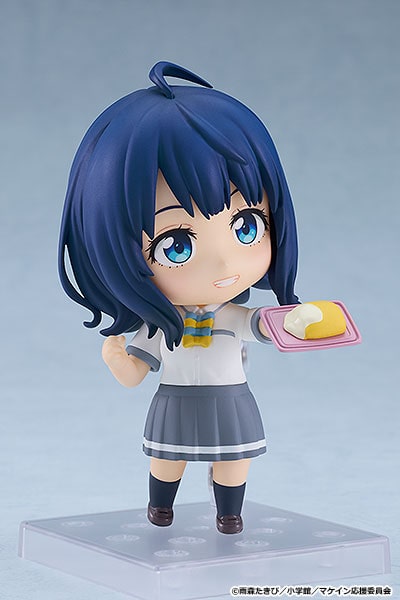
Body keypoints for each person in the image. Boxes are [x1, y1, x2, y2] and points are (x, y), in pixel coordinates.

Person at [58, 61, 299, 534]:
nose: (224, 263)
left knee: (234, 460)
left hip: (230, 400)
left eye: (246, 226)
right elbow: (134, 373)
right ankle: (160, 506)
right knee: (167, 459)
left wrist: (297, 321)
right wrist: (115, 356)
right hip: (175, 399)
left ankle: (229, 513)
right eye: (176, 245)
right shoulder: (159, 325)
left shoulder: (229, 314)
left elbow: (261, 324)